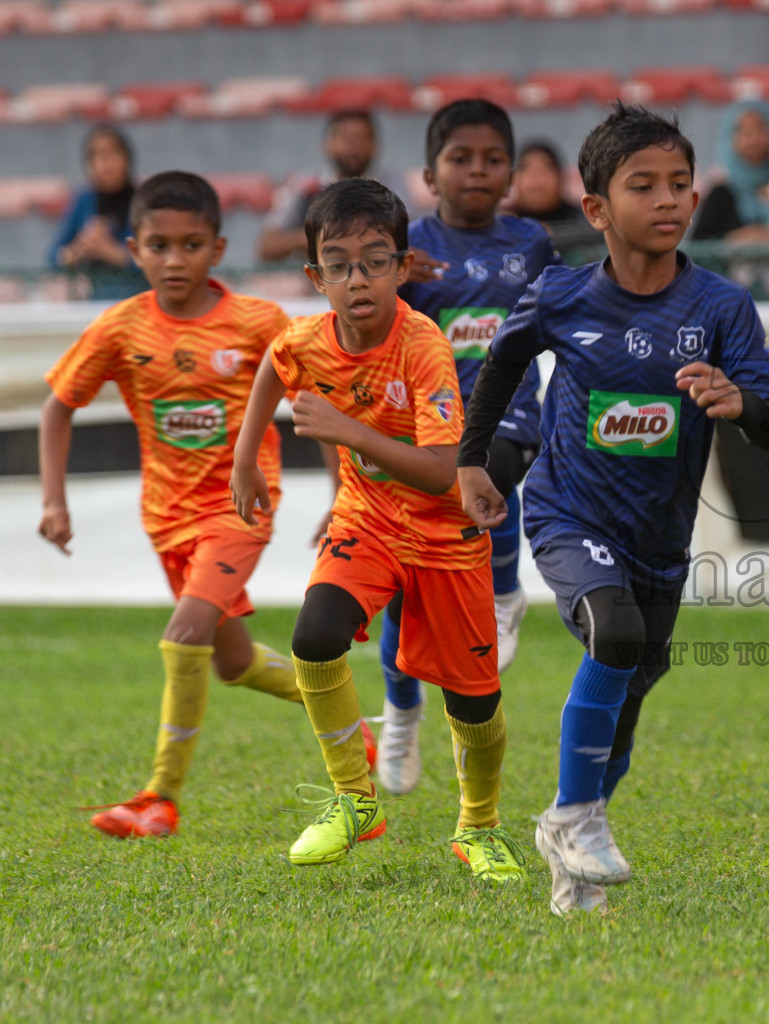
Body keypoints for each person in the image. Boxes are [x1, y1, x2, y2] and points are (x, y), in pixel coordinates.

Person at [457, 104, 769, 915]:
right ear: (598, 209)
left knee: (633, 686)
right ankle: (572, 816)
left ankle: (574, 842)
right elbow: (501, 363)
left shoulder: (720, 309)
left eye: (680, 183)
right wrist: (472, 460)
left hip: (660, 542)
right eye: (644, 185)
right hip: (567, 513)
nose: (668, 200)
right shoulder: (563, 296)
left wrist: (737, 400)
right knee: (617, 632)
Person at [231, 178, 522, 882]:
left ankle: (477, 828)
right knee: (314, 636)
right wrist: (245, 462)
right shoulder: (307, 340)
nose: (357, 278)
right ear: (316, 275)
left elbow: (440, 469)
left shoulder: (422, 345)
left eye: (374, 260)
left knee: (475, 704)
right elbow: (275, 369)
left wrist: (346, 429)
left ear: (401, 266)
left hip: (446, 535)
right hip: (368, 521)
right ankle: (354, 800)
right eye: (339, 263)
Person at [40, 171, 308, 838]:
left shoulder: (258, 322)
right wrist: (54, 500)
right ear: (134, 250)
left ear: (217, 249)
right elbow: (57, 407)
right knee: (233, 661)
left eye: (190, 245)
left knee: (183, 634)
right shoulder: (121, 327)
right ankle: (350, 718)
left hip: (243, 507)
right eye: (159, 246)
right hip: (165, 516)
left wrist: (340, 492)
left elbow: (313, 405)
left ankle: (160, 797)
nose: (174, 260)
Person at [375, 99, 558, 797]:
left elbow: (569, 310)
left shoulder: (533, 244)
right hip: (420, 431)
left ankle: (505, 591)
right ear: (431, 172)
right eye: (460, 159)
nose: (475, 171)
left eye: (490, 159)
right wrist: (396, 279)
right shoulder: (407, 244)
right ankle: (399, 713)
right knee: (406, 583)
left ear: (510, 173)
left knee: (487, 478)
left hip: (504, 417)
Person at [257, 110, 378, 263]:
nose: (353, 147)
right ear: (328, 144)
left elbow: (406, 242)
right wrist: (308, 238)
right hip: (316, 283)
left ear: (374, 145)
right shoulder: (306, 186)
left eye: (361, 138)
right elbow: (266, 246)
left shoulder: (390, 188)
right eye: (346, 138)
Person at [50, 124, 144, 299]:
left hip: (136, 303)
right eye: (98, 157)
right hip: (94, 304)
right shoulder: (84, 200)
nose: (106, 164)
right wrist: (78, 250)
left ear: (127, 158)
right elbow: (53, 257)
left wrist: (111, 252)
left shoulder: (144, 201)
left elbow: (155, 261)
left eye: (113, 154)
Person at [690, 100, 769, 241]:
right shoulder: (721, 195)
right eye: (743, 131)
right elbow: (699, 250)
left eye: (760, 128)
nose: (753, 139)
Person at [511, 139, 603, 251]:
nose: (536, 179)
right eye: (527, 170)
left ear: (561, 177)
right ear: (514, 179)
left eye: (545, 170)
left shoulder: (586, 221)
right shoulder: (501, 225)